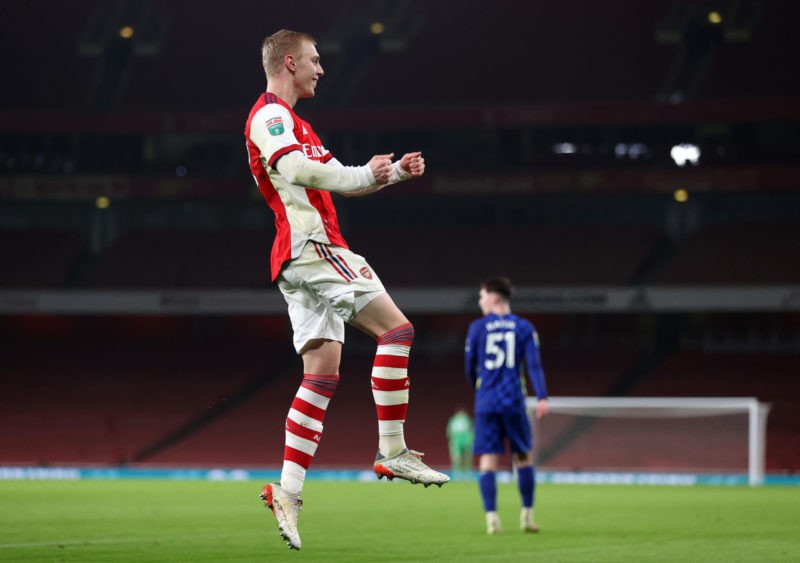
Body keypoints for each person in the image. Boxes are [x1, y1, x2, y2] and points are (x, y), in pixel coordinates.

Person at [244, 29, 449, 551]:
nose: (321, 68)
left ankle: (288, 491)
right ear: (288, 63)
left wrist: (392, 173)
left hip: (298, 258)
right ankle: (392, 448)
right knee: (397, 330)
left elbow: (341, 178)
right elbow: (297, 169)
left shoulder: (302, 125)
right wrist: (362, 172)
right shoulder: (271, 117)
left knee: (322, 373)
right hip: (315, 247)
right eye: (314, 60)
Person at [464, 277, 549, 535]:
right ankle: (527, 516)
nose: (480, 301)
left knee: (488, 460)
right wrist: (542, 396)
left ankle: (492, 519)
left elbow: (469, 368)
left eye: (482, 296)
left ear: (495, 297)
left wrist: (480, 390)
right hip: (513, 399)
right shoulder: (524, 328)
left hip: (487, 401)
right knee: (523, 457)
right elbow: (533, 366)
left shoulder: (477, 328)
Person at [446, 406, 474, 475]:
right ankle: (457, 473)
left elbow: (472, 430)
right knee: (457, 457)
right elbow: (449, 431)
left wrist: (471, 440)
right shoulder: (453, 420)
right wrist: (451, 440)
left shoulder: (467, 419)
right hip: (456, 441)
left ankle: (467, 472)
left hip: (466, 440)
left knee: (467, 456)